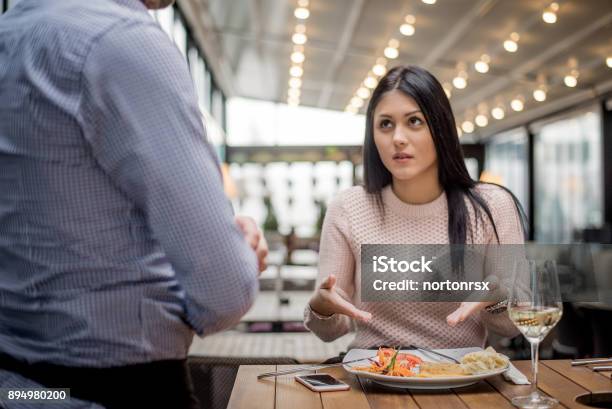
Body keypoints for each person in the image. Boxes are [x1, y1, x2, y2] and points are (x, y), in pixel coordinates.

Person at [0, 0, 266, 407]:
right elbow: (224, 291)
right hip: (124, 387)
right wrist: (241, 256)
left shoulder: (12, 32)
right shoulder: (121, 42)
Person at [305, 65, 527, 350]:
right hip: (373, 377)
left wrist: (497, 300)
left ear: (441, 128)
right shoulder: (348, 207)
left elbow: (513, 326)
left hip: (463, 380)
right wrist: (322, 307)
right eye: (385, 124)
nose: (397, 137)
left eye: (414, 121)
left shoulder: (492, 206)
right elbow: (329, 331)